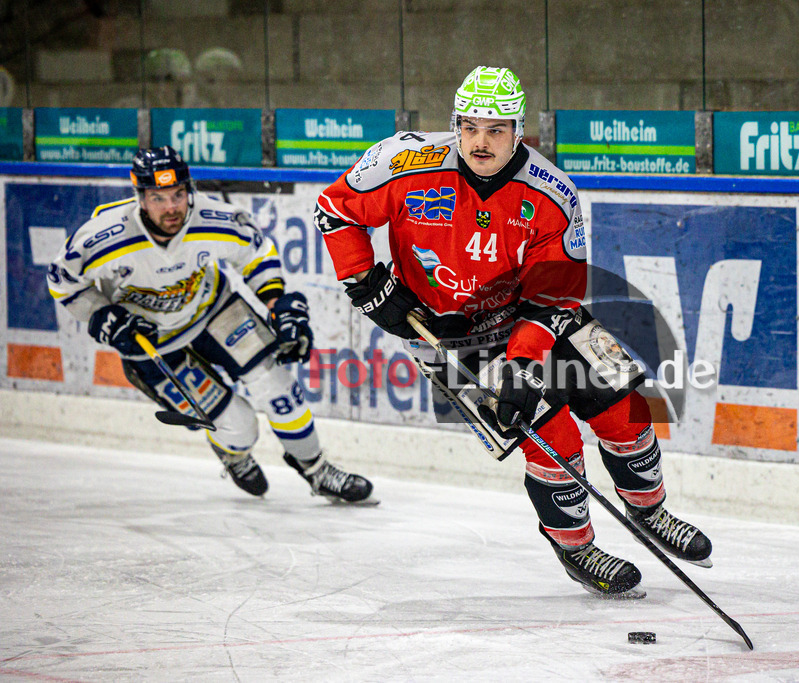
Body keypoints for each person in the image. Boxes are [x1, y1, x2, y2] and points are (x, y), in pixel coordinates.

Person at [314, 66, 710, 598]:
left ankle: (650, 511)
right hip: (449, 336)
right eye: (470, 126)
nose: (481, 141)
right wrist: (365, 283)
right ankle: (576, 547)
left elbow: (557, 292)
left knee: (624, 403)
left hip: (533, 316)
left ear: (518, 131)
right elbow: (334, 209)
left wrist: (525, 361)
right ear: (454, 124)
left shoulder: (552, 193)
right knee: (553, 438)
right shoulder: (401, 162)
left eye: (496, 129)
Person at [49, 146, 375, 504]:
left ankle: (316, 470)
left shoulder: (214, 219)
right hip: (150, 342)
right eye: (158, 198)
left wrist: (276, 302)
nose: (172, 207)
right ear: (140, 196)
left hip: (215, 311)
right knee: (240, 428)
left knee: (278, 386)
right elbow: (62, 281)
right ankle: (233, 452)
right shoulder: (104, 236)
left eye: (178, 194)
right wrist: (102, 316)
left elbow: (257, 251)